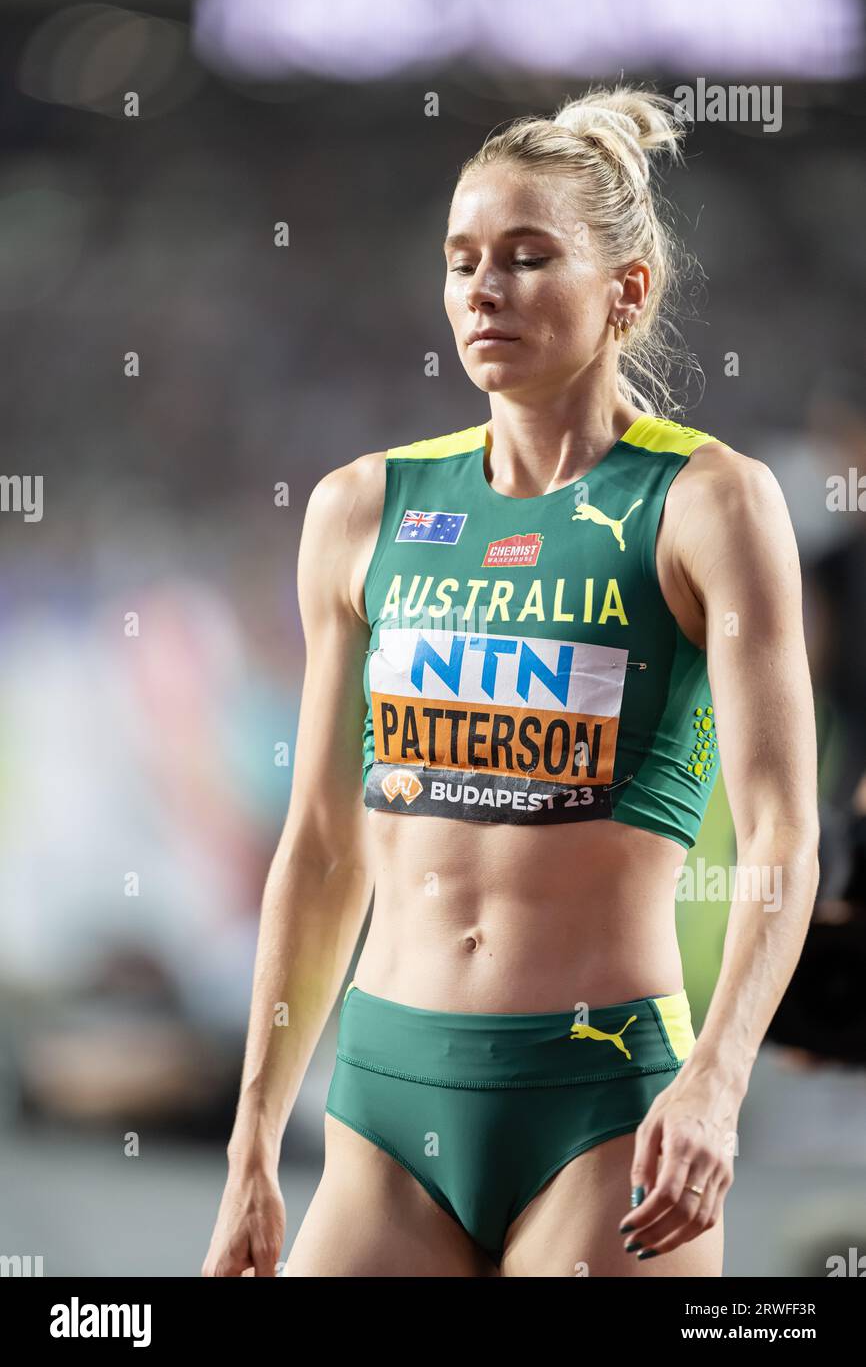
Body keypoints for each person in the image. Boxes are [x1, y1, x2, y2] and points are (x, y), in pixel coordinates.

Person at [202, 86, 819, 1278]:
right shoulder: (361, 509)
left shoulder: (709, 502)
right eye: (462, 260)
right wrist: (251, 1139)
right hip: (384, 1099)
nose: (484, 289)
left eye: (529, 259)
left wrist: (717, 1081)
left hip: (605, 1108)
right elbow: (323, 846)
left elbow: (782, 831)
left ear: (624, 291)